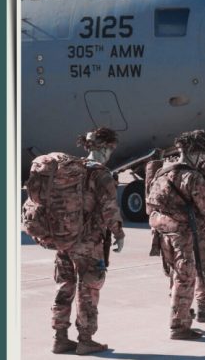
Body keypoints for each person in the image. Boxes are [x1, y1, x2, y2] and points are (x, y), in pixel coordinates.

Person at [22, 128, 125, 354]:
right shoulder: (101, 173)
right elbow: (109, 208)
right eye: (111, 148)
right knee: (88, 288)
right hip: (88, 241)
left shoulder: (70, 170)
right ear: (106, 147)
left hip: (64, 237)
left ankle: (59, 338)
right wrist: (119, 233)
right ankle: (86, 340)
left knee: (64, 286)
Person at [146, 130, 205, 340]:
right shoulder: (192, 177)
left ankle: (183, 314)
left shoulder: (162, 173)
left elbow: (151, 203)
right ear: (195, 152)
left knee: (176, 276)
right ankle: (179, 326)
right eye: (203, 153)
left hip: (164, 233)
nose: (204, 158)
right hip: (185, 235)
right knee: (186, 278)